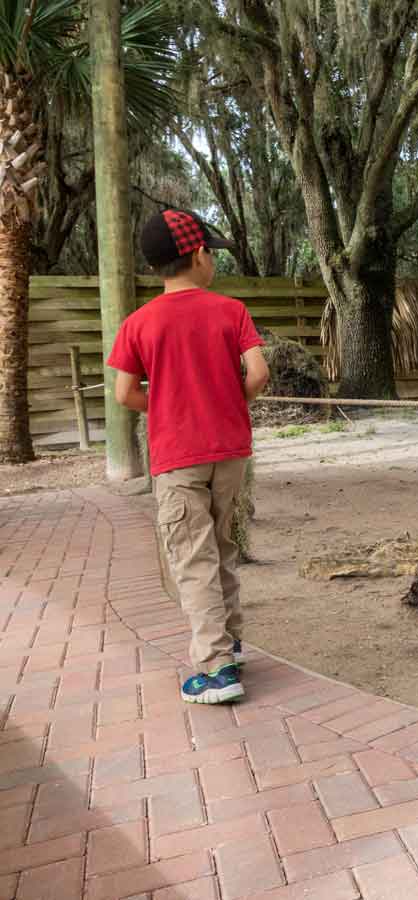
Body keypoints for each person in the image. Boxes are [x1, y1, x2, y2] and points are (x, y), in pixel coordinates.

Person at [107, 209, 270, 703]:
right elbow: (258, 374)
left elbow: (124, 393)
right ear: (198, 255)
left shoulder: (138, 323)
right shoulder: (231, 311)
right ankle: (232, 642)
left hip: (178, 458)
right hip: (230, 452)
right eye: (211, 253)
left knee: (191, 556)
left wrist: (168, 406)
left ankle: (217, 669)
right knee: (220, 547)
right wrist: (224, 402)